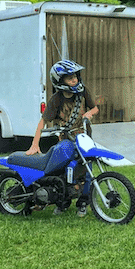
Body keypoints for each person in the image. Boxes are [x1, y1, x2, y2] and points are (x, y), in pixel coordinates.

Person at [26, 59, 99, 215]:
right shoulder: (56, 99)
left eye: (75, 76)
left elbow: (95, 108)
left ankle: (83, 203)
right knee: (64, 172)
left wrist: (89, 113)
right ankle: (62, 202)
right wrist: (35, 144)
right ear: (60, 81)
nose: (74, 79)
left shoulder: (83, 91)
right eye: (69, 77)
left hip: (85, 137)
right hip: (66, 140)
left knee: (87, 171)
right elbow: (43, 121)